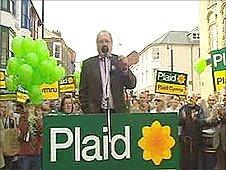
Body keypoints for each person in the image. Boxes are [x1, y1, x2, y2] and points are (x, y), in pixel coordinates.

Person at [79, 30, 137, 113]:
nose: (104, 44)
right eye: (101, 42)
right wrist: (87, 110)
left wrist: (125, 69)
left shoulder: (119, 61)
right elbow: (83, 91)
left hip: (117, 112)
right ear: (97, 45)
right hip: (95, 114)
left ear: (111, 44)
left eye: (107, 41)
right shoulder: (88, 65)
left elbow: (131, 84)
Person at [179, 92, 204, 170]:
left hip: (196, 138)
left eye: (191, 97)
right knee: (185, 159)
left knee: (195, 159)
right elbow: (179, 123)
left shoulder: (199, 109)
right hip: (185, 138)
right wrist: (182, 118)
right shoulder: (182, 109)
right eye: (188, 97)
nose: (189, 99)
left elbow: (203, 122)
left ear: (195, 99)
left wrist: (196, 119)